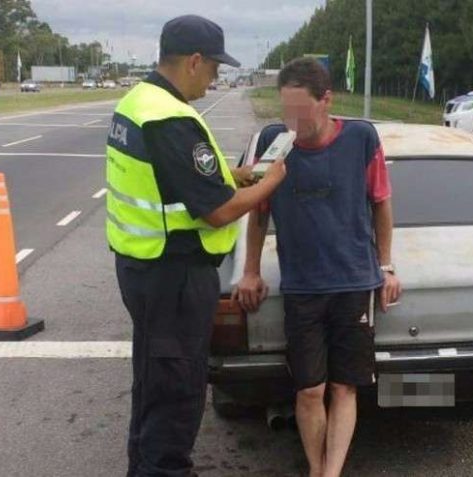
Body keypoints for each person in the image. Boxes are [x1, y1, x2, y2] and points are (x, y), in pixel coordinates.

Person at [106, 14, 286, 477]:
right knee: (178, 391)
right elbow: (219, 211)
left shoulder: (137, 102)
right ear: (193, 61)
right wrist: (271, 182)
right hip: (175, 277)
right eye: (214, 69)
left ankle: (143, 467)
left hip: (142, 267)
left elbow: (172, 180)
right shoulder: (171, 119)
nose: (214, 79)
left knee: (152, 384)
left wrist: (231, 175)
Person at [234, 57, 402, 477]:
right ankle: (315, 467)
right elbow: (258, 210)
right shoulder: (275, 140)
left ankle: (330, 472)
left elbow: (381, 203)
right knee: (310, 389)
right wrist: (250, 270)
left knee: (344, 386)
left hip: (353, 283)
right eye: (285, 109)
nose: (292, 120)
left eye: (301, 110)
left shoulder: (361, 138)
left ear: (327, 100)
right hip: (302, 288)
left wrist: (386, 265)